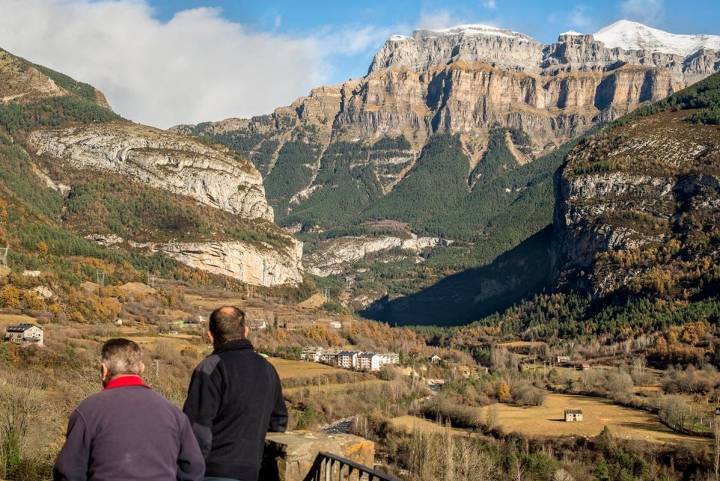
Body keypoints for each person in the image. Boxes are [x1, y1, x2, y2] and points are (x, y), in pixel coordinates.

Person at [54, 338, 205, 481]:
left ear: (103, 371)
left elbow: (68, 472)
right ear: (142, 369)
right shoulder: (173, 413)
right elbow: (193, 468)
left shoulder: (88, 411)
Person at [184, 306, 288, 481]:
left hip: (212, 471)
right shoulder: (267, 368)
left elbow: (195, 427)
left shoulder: (210, 368)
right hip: (252, 471)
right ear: (246, 331)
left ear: (210, 335)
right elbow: (278, 421)